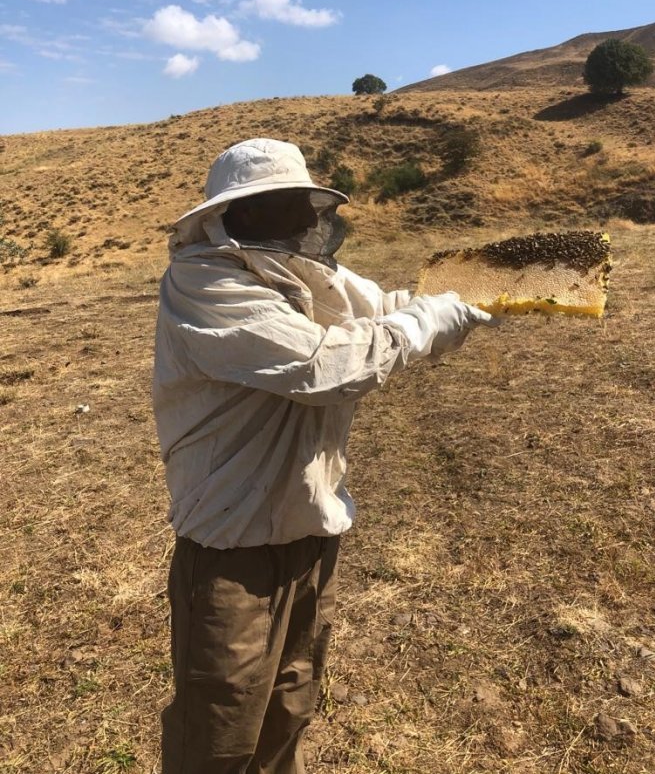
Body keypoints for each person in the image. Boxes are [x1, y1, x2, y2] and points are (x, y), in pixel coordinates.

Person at [152, 138, 498, 774]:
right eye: (283, 205)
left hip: (311, 533)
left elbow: (386, 309)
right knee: (218, 736)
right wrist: (426, 322)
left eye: (305, 204)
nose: (304, 220)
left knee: (290, 709)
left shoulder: (308, 273)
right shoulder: (203, 281)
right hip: (233, 549)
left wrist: (471, 296)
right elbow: (323, 366)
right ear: (239, 214)